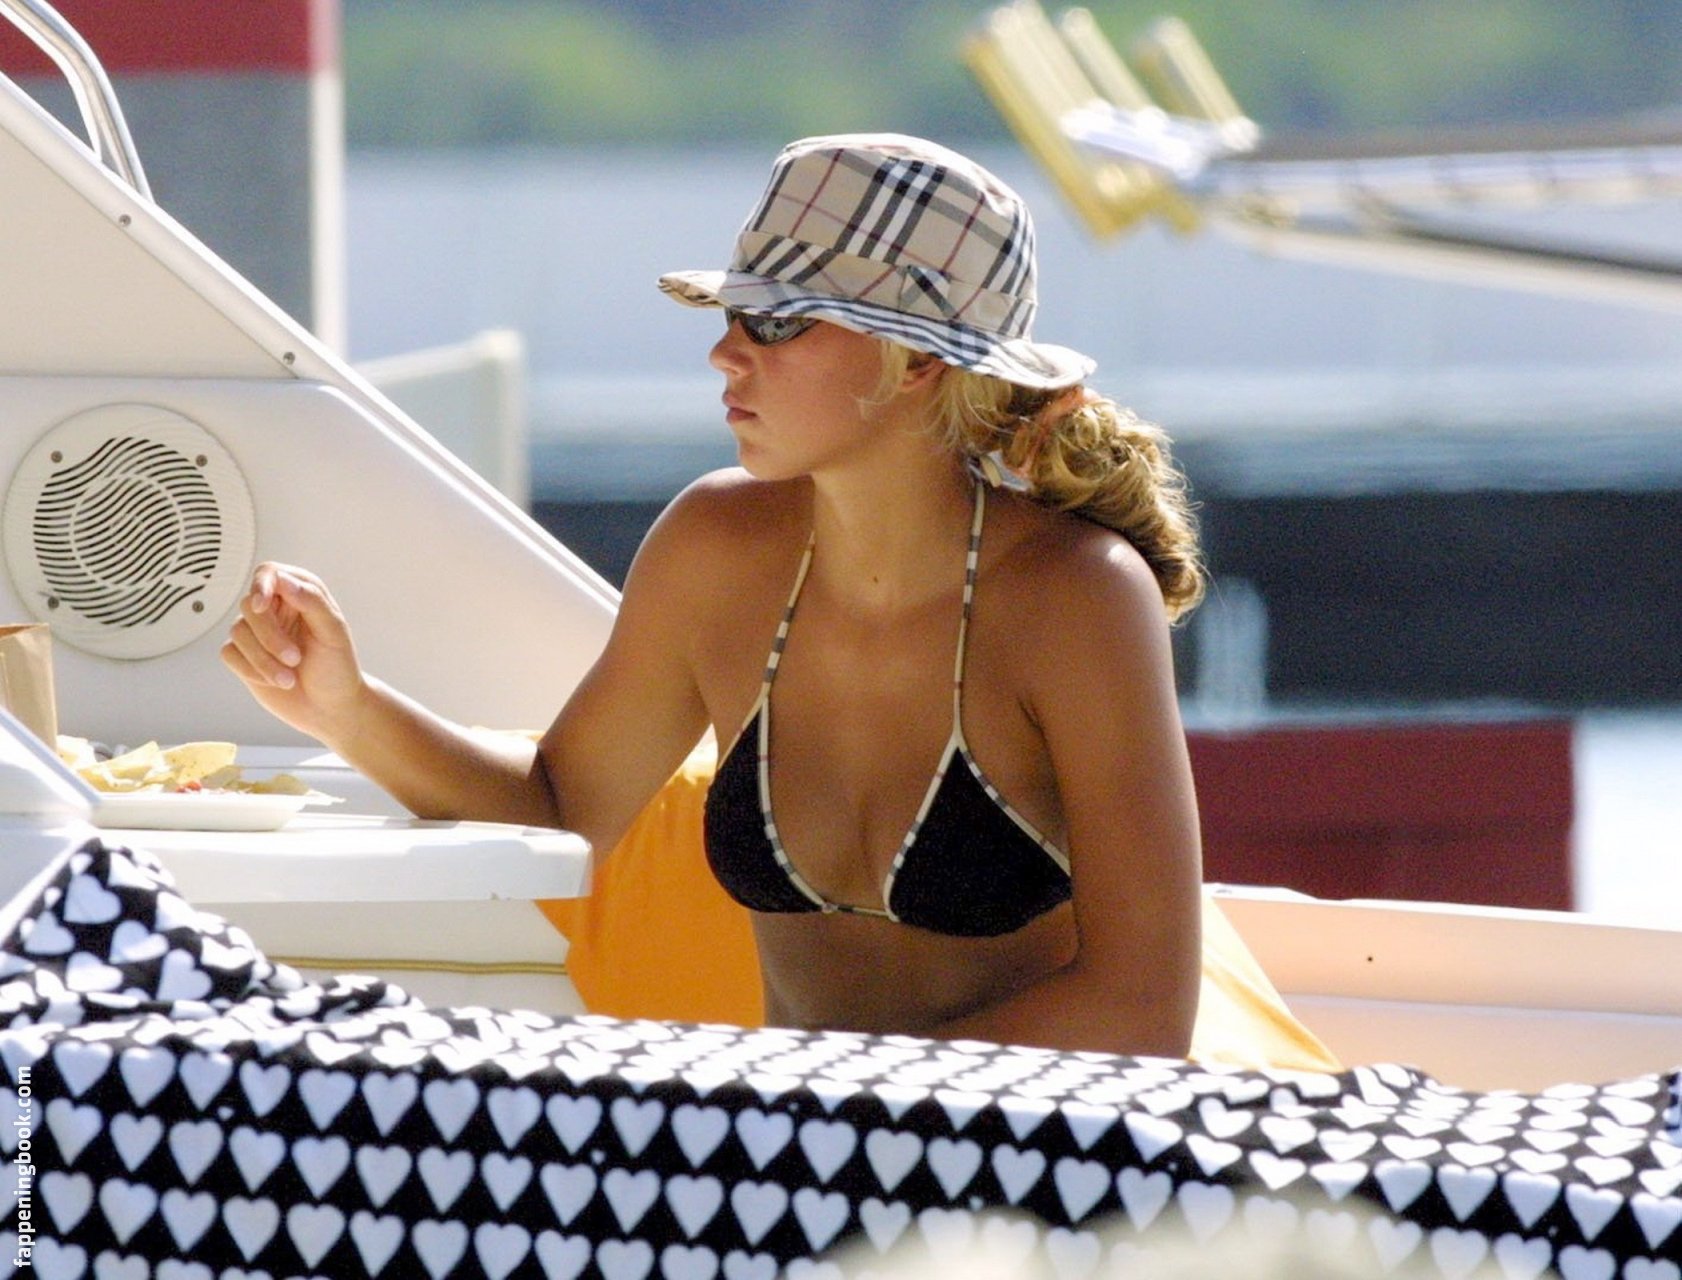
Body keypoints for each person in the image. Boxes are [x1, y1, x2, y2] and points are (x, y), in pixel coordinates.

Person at [223, 133, 1206, 1058]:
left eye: (775, 322)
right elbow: (559, 807)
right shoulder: (716, 548)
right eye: (730, 317)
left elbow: (1144, 1008)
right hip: (789, 1143)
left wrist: (831, 1101)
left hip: (1021, 1153)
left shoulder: (1077, 597)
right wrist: (343, 707)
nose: (725, 354)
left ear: (920, 360)